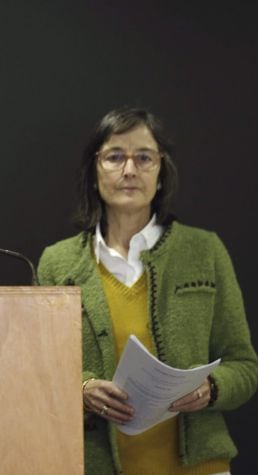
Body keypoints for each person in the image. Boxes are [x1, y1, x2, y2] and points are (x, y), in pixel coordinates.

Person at [38, 107, 258, 474]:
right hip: (95, 464)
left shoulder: (205, 251)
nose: (129, 170)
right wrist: (84, 388)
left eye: (143, 157)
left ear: (161, 170)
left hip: (200, 467)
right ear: (94, 171)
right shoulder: (56, 264)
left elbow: (245, 366)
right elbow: (40, 374)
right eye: (114, 157)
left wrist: (211, 388)